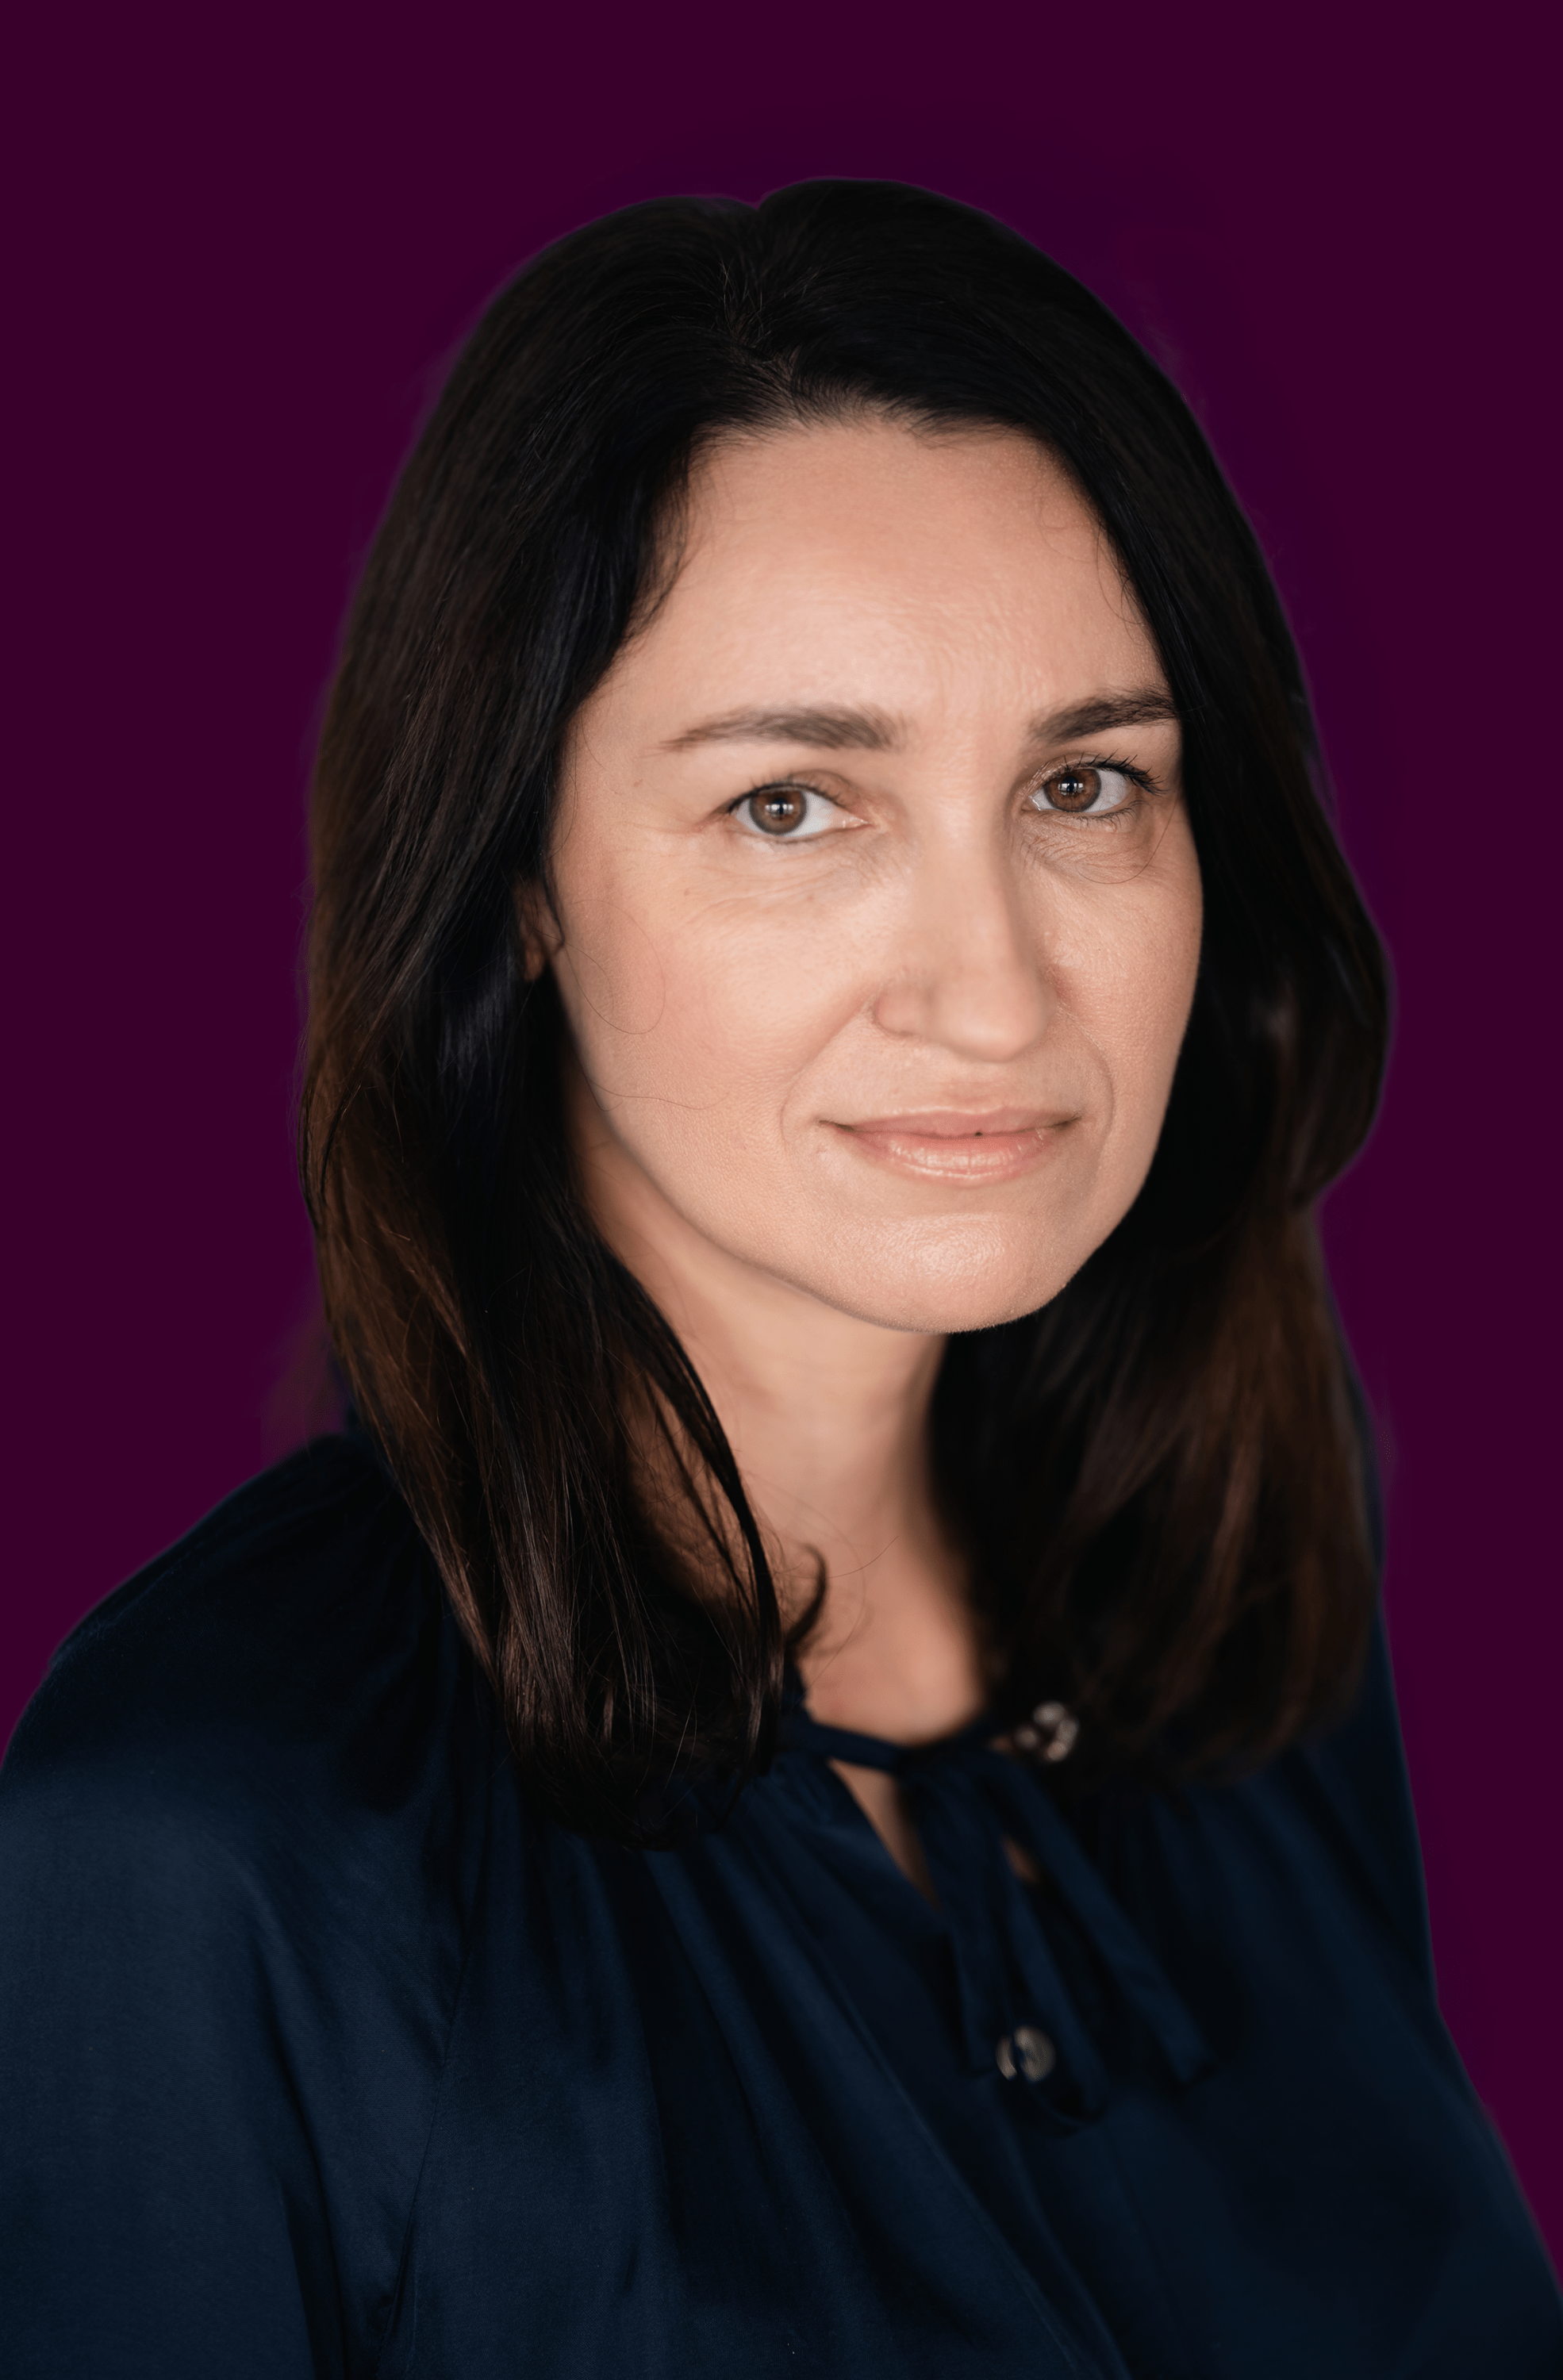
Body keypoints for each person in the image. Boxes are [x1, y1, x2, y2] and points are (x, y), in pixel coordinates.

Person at [1, 180, 1557, 2379]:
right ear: (519, 878)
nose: (1001, 989)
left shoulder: (1247, 1604)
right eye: (797, 809)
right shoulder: (199, 1846)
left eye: (1087, 783)